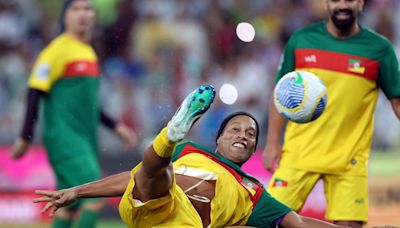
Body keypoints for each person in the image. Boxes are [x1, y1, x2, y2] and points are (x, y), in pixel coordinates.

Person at [33, 85, 349, 228]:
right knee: (157, 175)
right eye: (235, 129)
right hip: (146, 203)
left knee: (159, 175)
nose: (243, 135)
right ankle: (172, 134)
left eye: (251, 134)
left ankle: (169, 135)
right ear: (219, 138)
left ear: (253, 149)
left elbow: (298, 222)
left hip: (180, 222)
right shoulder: (192, 151)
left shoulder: (253, 192)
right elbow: (132, 178)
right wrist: (77, 191)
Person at [262, 0, 400, 227]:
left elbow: (397, 102)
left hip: (349, 158)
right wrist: (271, 143)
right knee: (269, 220)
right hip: (299, 153)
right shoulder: (301, 40)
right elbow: (280, 93)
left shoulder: (379, 48)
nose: (343, 5)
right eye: (336, 0)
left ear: (361, 3)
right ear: (326, 3)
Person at [10, 1, 137, 228]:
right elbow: (34, 90)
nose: (83, 14)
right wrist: (24, 137)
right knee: (95, 195)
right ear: (65, 16)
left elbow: (87, 103)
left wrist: (116, 127)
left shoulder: (88, 53)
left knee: (69, 205)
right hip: (65, 139)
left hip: (85, 139)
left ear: (94, 16)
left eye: (88, 9)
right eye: (76, 9)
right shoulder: (57, 50)